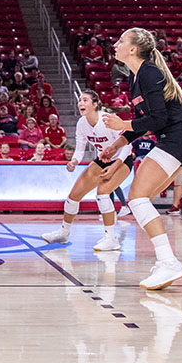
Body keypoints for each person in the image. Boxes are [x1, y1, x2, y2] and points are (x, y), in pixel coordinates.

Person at [99, 28, 182, 291]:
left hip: (177, 138)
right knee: (140, 199)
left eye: (121, 41)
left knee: (137, 198)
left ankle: (169, 262)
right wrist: (119, 142)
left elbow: (159, 119)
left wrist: (123, 122)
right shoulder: (136, 77)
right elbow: (146, 123)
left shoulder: (149, 73)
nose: (116, 44)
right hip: (176, 139)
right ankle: (166, 261)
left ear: (133, 49)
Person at [43, 90, 131, 251]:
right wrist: (74, 161)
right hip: (102, 160)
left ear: (95, 104)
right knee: (73, 196)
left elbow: (128, 144)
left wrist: (115, 165)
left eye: (85, 100)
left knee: (103, 193)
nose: (80, 103)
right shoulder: (81, 123)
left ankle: (111, 238)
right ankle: (64, 233)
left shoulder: (107, 120)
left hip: (122, 159)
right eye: (79, 100)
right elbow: (80, 149)